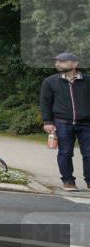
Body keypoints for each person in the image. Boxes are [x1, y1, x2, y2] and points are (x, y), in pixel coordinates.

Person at [41, 52, 90, 191]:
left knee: (89, 154)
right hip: (62, 123)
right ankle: (68, 181)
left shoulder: (87, 80)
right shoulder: (50, 82)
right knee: (65, 153)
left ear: (75, 64)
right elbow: (45, 103)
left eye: (62, 61)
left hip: (87, 123)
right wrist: (47, 121)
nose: (57, 64)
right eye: (56, 61)